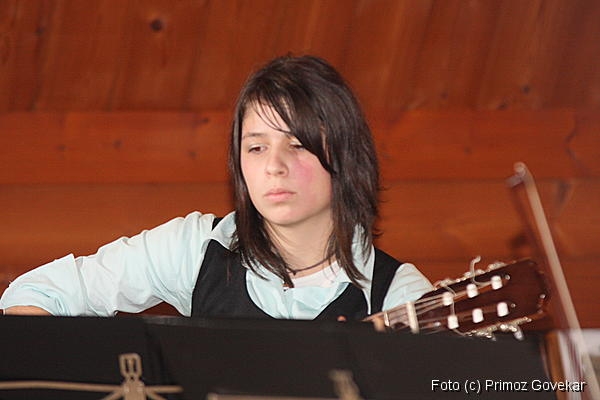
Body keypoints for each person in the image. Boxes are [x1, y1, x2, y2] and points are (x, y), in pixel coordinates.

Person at [0, 55, 432, 320]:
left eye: (297, 145)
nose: (274, 166)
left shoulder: (400, 294)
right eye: (256, 147)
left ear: (344, 155)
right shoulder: (195, 248)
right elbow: (36, 293)